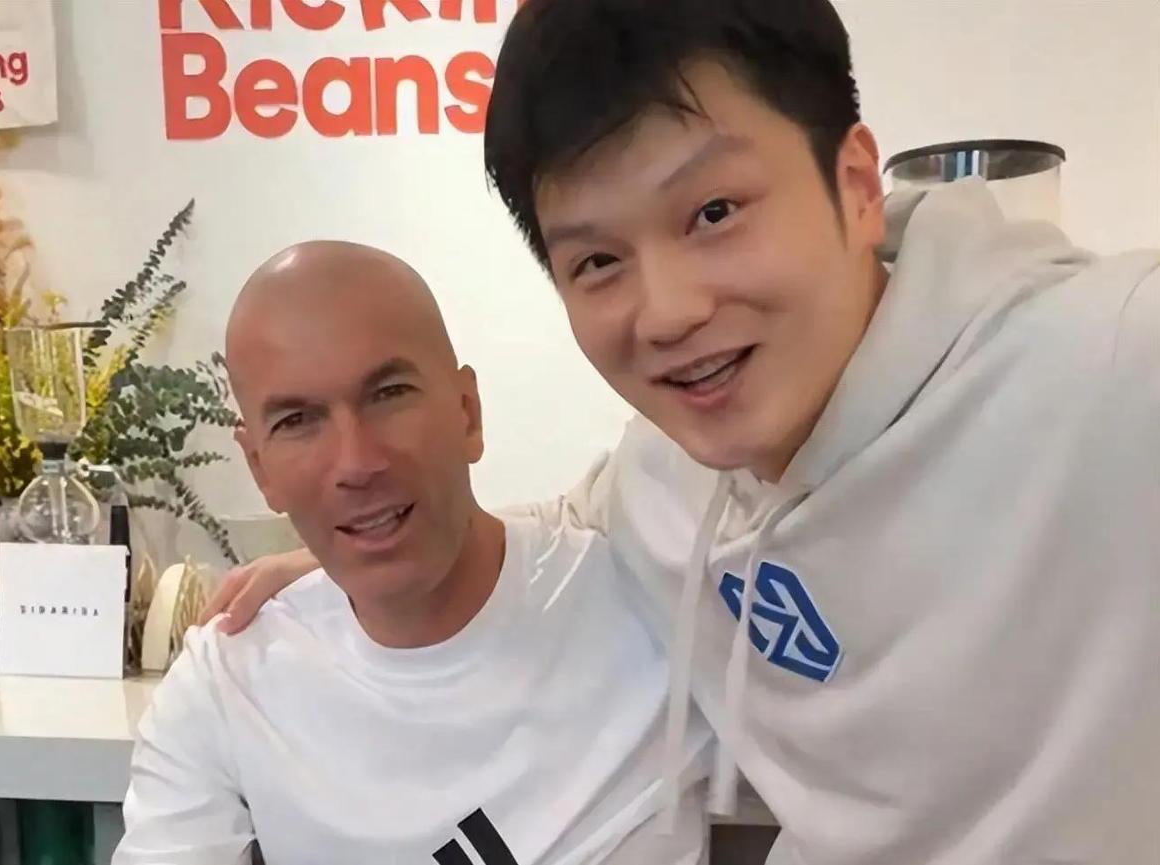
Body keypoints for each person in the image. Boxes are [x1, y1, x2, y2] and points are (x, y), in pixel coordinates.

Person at [204, 1, 1160, 862]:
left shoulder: (1106, 364)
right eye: (598, 261)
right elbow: (556, 523)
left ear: (856, 183)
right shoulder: (663, 476)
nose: (667, 312)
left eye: (713, 212)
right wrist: (365, 548)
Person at [114, 241, 714, 865]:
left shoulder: (649, 599)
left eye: (389, 394)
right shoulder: (227, 681)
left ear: (467, 412)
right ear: (259, 468)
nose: (356, 463)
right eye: (296, 421)